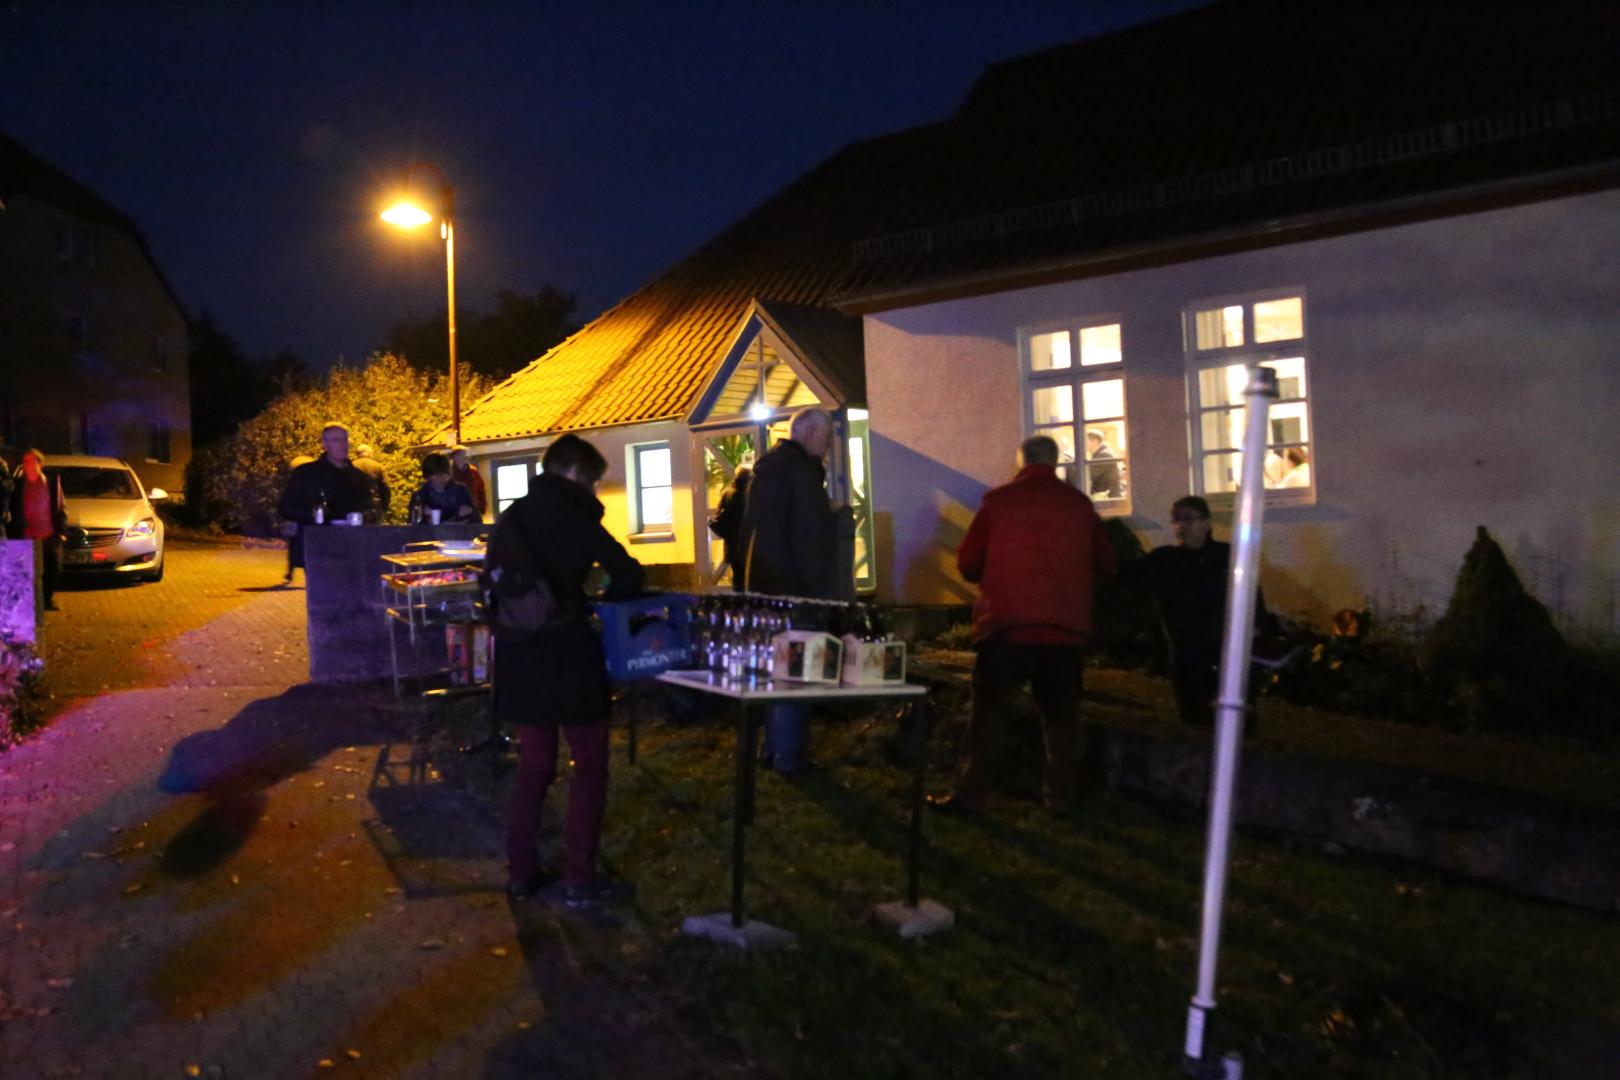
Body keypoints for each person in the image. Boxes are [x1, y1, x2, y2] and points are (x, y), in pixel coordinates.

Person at [495, 434, 645, 905]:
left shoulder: (513, 515)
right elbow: (628, 573)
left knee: (533, 767)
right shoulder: (578, 515)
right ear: (577, 473)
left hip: (519, 653)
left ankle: (520, 872)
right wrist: (601, 602)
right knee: (589, 765)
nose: (596, 492)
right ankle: (579, 878)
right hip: (569, 651)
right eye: (594, 481)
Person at [932, 435, 1118, 814]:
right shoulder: (1079, 505)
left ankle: (970, 793)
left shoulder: (999, 502)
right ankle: (1060, 798)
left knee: (988, 717)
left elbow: (968, 562)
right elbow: (1109, 565)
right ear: (1055, 463)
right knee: (1061, 721)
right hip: (1064, 630)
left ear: (1021, 462)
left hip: (1008, 626)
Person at [737, 408, 838, 773]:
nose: (828, 447)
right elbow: (810, 540)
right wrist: (815, 595)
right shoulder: (801, 476)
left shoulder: (766, 472)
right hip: (796, 590)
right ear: (811, 435)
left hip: (764, 587)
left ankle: (771, 749)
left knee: (774, 674)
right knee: (798, 675)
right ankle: (790, 758)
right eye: (827, 439)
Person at [1132, 495, 1276, 727]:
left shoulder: (1227, 557)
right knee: (1196, 719)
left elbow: (1252, 598)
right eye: (1176, 520)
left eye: (1188, 519)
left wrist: (1259, 635)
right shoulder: (1165, 560)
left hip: (1228, 653)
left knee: (1236, 723)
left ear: (1207, 523)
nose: (1181, 526)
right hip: (1188, 655)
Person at [277, 424, 374, 584]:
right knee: (323, 599)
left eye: (345, 440)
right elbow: (286, 507)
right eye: (336, 440)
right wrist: (311, 514)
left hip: (350, 547)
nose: (342, 445)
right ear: (325, 444)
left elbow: (367, 507)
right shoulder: (306, 473)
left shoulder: (360, 477)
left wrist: (365, 516)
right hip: (317, 547)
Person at [6, 449, 68, 611]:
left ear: (40, 464)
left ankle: (46, 600)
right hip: (25, 534)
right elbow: (11, 507)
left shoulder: (51, 484)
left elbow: (61, 508)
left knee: (52, 569)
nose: (27, 466)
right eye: (25, 462)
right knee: (24, 571)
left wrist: (60, 532)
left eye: (31, 462)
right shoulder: (18, 485)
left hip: (47, 534)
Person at [707, 465, 751, 589]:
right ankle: (743, 606)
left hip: (732, 545)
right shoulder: (740, 495)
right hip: (742, 546)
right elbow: (744, 520)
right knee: (743, 581)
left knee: (738, 578)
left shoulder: (728, 492)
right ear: (747, 478)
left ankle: (739, 605)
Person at [407, 452, 477, 523]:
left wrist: (468, 514)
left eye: (444, 474)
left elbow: (477, 521)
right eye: (436, 475)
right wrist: (424, 517)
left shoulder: (460, 491)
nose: (440, 478)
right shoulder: (419, 496)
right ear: (427, 476)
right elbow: (412, 526)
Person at [352, 443, 390, 521]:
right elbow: (386, 488)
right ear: (369, 453)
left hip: (355, 504)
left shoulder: (350, 467)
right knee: (376, 531)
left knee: (355, 531)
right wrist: (384, 507)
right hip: (375, 504)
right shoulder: (378, 467)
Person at [450, 445, 488, 519]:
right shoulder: (449, 472)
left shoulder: (473, 471)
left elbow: (481, 489)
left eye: (465, 454)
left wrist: (481, 507)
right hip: (455, 512)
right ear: (455, 456)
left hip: (473, 510)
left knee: (475, 529)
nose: (465, 457)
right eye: (462, 454)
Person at [1085, 429, 1122, 499]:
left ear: (1094, 441)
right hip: (1106, 497)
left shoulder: (1104, 455)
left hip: (1109, 499)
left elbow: (1088, 475)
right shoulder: (1101, 454)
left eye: (1086, 440)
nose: (1083, 444)